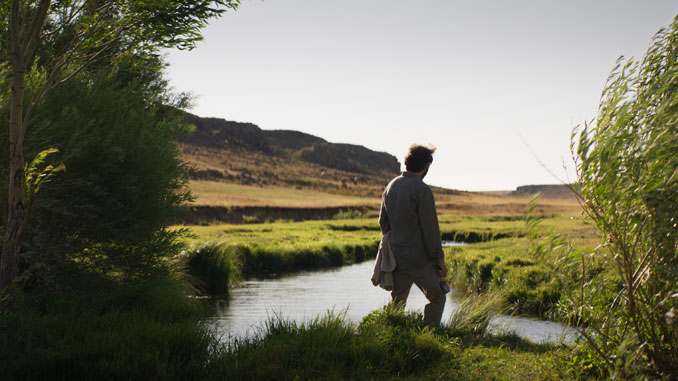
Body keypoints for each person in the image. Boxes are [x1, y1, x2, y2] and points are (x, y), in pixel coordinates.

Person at [377, 144, 448, 324]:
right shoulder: (422, 190)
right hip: (419, 259)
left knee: (398, 301)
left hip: (397, 257)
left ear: (406, 163)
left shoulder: (391, 186)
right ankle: (429, 336)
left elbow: (382, 222)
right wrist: (439, 258)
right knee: (438, 297)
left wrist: (396, 241)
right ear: (426, 166)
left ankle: (391, 334)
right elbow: (430, 229)